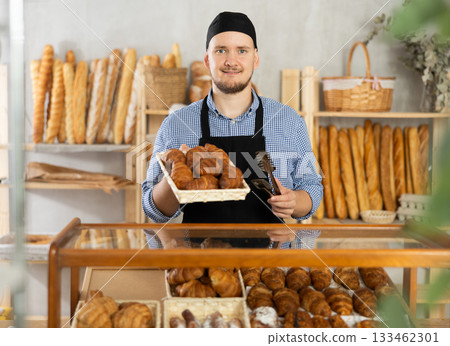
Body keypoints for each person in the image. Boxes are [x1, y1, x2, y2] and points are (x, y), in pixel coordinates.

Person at [142, 12, 323, 246]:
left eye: (242, 50)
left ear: (255, 59)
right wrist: (175, 175)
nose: (231, 60)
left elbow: (312, 188)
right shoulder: (177, 124)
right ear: (207, 59)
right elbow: (153, 211)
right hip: (201, 269)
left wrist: (295, 201)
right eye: (221, 50)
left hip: (270, 271)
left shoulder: (288, 120)